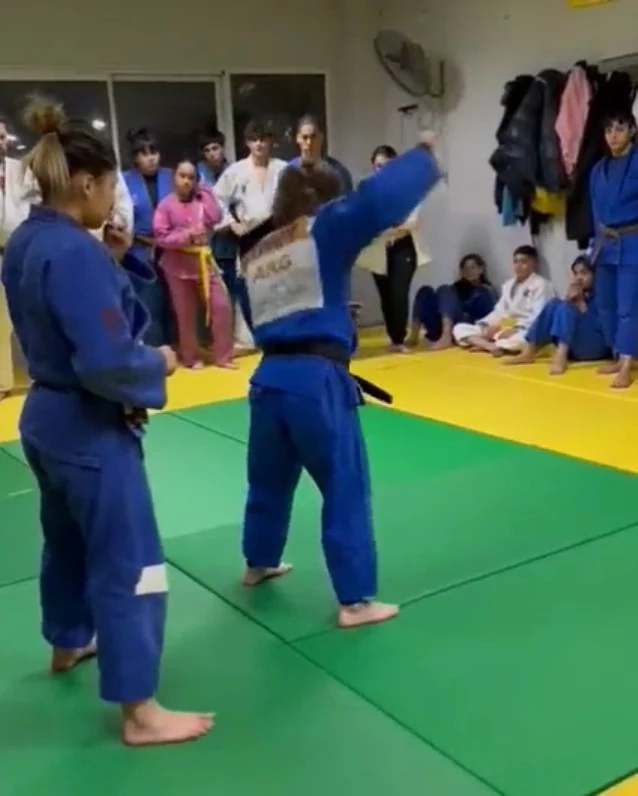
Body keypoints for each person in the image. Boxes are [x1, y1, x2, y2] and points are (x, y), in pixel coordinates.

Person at [1, 97, 213, 746]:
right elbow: (106, 359)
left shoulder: (27, 241)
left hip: (44, 420)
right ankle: (139, 710)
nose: (116, 201)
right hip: (89, 425)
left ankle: (68, 640)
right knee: (130, 559)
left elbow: (70, 322)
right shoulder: (74, 253)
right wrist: (160, 362)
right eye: (111, 187)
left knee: (66, 538)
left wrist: (116, 260)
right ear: (86, 183)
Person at [239, 134, 441, 629]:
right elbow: (375, 203)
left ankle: (258, 563)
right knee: (344, 485)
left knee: (268, 480)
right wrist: (422, 160)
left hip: (268, 381)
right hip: (315, 382)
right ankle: (355, 601)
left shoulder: (258, 252)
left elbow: (259, 312)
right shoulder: (324, 227)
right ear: (327, 200)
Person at [153, 158, 234, 369]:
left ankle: (223, 356)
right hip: (177, 265)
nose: (186, 181)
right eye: (182, 176)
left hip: (204, 262)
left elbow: (216, 218)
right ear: (174, 178)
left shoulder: (201, 201)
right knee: (185, 313)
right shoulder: (166, 205)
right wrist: (186, 236)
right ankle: (190, 356)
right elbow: (161, 237)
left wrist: (206, 192)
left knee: (221, 306)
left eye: (191, 177)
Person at [214, 118, 288, 347]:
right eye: (254, 140)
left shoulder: (283, 169)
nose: (259, 144)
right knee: (251, 295)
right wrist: (231, 223)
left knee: (280, 294)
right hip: (249, 236)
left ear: (271, 141)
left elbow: (298, 198)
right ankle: (263, 340)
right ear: (247, 143)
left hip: (278, 235)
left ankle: (282, 341)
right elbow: (215, 200)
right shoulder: (235, 171)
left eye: (263, 139)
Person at [359, 145, 429, 352]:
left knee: (399, 293)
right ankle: (393, 338)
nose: (383, 170)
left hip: (403, 246)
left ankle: (399, 338)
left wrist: (393, 232)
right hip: (377, 247)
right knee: (386, 295)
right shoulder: (367, 189)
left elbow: (413, 220)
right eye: (378, 166)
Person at [589, 110, 638, 389]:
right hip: (605, 243)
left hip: (633, 240)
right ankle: (619, 355)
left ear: (632, 131)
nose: (613, 135)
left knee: (629, 306)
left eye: (620, 129)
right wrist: (592, 251)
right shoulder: (598, 170)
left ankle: (628, 364)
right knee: (606, 303)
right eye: (609, 130)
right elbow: (596, 214)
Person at [503, 255, 608, 374]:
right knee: (554, 304)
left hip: (595, 346)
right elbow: (565, 317)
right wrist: (571, 299)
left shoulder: (603, 294)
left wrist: (580, 304)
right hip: (576, 346)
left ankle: (560, 356)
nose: (579, 277)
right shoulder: (581, 292)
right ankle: (529, 351)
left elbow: (603, 329)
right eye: (576, 273)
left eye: (584, 273)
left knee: (566, 307)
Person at [452, 244, 555, 356]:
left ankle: (485, 344)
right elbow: (499, 311)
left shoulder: (541, 285)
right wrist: (489, 326)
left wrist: (515, 329)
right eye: (515, 262)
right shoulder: (508, 285)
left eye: (523, 262)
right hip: (502, 327)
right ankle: (490, 346)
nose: (518, 266)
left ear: (534, 264)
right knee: (459, 328)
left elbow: (540, 315)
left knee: (520, 340)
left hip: (524, 329)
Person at [123, 129, 174, 347]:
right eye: (144, 153)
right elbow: (119, 220)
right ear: (135, 158)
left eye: (154, 152)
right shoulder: (124, 181)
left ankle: (179, 349)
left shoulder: (171, 176)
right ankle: (155, 352)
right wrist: (148, 241)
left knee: (175, 304)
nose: (151, 158)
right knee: (149, 303)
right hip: (140, 251)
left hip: (173, 248)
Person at [0, 114, 32, 400]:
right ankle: (2, 383)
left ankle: (42, 374)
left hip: (21, 251)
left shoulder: (21, 169)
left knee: (31, 315)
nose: (0, 143)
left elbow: (34, 203)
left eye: (2, 137)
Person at [408, 253, 496, 349]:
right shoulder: (457, 287)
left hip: (462, 328)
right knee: (425, 290)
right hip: (440, 326)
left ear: (481, 269)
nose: (469, 271)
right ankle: (413, 335)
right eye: (465, 269)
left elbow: (488, 319)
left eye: (473, 268)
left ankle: (446, 336)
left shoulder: (486, 291)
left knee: (444, 288)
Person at [197, 129, 240, 309]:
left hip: (230, 245)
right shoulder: (198, 175)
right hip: (206, 247)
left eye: (215, 148)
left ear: (223, 148)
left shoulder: (235, 172)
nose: (212, 154)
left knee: (231, 297)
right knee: (211, 302)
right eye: (207, 150)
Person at [288, 114, 353, 194]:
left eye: (313, 137)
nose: (309, 142)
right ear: (298, 139)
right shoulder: (289, 171)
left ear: (321, 137)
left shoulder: (338, 172)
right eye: (305, 137)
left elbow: (347, 199)